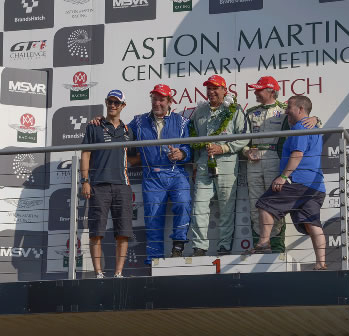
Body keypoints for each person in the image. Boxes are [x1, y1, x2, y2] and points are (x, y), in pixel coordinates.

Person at [243, 76, 321, 253]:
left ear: (271, 91)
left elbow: (305, 120)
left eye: (259, 89)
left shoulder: (284, 110)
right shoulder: (250, 112)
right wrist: (246, 151)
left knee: (274, 203)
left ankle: (277, 246)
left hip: (274, 158)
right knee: (255, 202)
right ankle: (260, 244)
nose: (255, 92)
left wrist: (316, 119)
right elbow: (242, 139)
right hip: (253, 161)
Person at [254, 95, 327, 270]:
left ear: (301, 109)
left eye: (290, 107)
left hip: (298, 181)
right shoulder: (314, 127)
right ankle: (321, 263)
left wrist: (283, 177)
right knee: (312, 223)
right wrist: (316, 118)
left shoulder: (301, 127)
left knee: (265, 204)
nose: (286, 111)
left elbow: (297, 154)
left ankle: (263, 243)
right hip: (316, 186)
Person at [127, 84, 191, 264]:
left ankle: (178, 247)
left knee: (184, 204)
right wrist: (104, 122)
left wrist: (182, 154)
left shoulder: (182, 122)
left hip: (176, 174)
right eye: (154, 99)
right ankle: (154, 263)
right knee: (153, 219)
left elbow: (190, 148)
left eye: (161, 99)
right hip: (152, 177)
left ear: (170, 101)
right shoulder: (139, 121)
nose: (157, 103)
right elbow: (121, 134)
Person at [190, 75, 249, 256]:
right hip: (203, 164)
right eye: (209, 88)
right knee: (199, 206)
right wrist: (194, 163)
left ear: (225, 90)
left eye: (216, 88)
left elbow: (245, 136)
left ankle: (224, 246)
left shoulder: (235, 109)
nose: (211, 91)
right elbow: (193, 140)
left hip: (227, 163)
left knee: (226, 207)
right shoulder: (199, 112)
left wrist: (223, 148)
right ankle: (199, 247)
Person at [81, 89, 136, 279]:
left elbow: (135, 157)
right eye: (110, 102)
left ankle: (118, 273)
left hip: (123, 185)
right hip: (99, 185)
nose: (112, 105)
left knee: (123, 232)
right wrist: (85, 180)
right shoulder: (94, 126)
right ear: (106, 103)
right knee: (96, 232)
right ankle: (98, 273)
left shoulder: (129, 131)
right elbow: (85, 154)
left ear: (123, 106)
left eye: (116, 102)